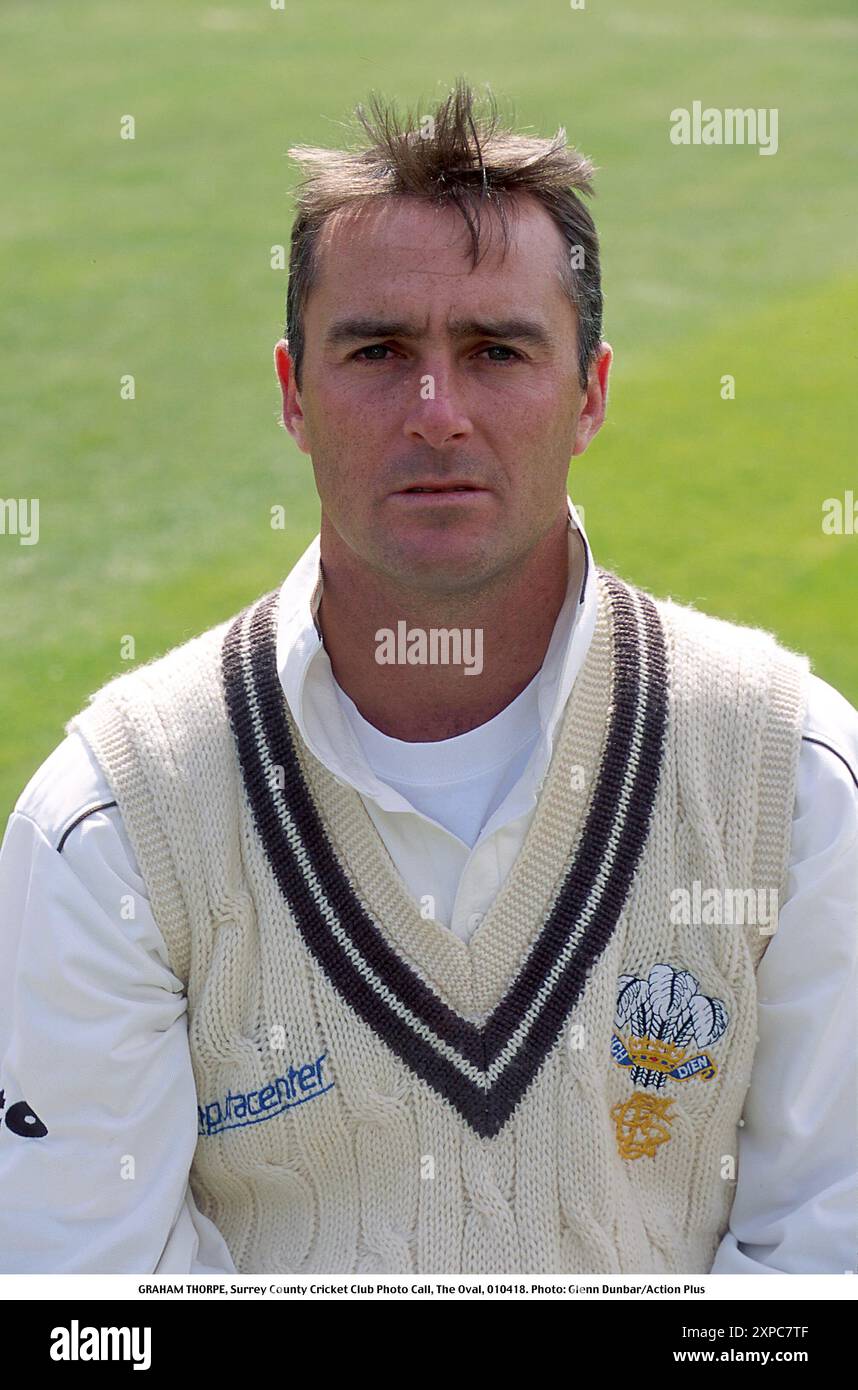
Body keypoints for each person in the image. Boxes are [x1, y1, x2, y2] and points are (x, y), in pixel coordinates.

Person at [1, 79, 856, 1277]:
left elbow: (826, 1253)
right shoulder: (114, 825)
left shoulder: (792, 778)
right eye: (378, 350)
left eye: (497, 349)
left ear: (591, 394)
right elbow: (94, 1306)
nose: (436, 410)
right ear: (296, 394)